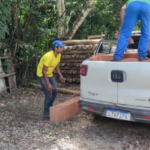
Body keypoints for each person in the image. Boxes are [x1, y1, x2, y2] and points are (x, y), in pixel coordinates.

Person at [37, 40, 66, 119]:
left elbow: (56, 65)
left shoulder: (58, 55)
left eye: (62, 47)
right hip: (42, 75)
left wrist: (60, 75)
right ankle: (46, 114)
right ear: (55, 48)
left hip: (49, 74)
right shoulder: (48, 56)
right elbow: (44, 71)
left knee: (55, 90)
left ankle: (50, 107)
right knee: (48, 93)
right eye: (60, 47)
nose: (62, 48)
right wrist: (48, 84)